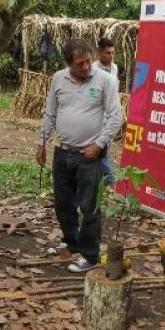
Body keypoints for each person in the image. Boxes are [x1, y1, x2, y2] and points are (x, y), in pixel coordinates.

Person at [36, 39, 122, 272]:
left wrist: (99, 145)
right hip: (62, 152)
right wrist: (41, 141)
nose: (86, 67)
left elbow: (116, 117)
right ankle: (71, 242)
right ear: (68, 64)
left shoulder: (105, 80)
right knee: (63, 204)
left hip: (89, 155)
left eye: (88, 61)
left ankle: (90, 256)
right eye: (79, 64)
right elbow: (50, 112)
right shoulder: (58, 79)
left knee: (90, 207)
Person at [93, 38, 119, 188]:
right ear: (100, 52)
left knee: (102, 150)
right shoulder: (93, 70)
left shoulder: (114, 68)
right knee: (102, 151)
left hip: (110, 117)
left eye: (113, 53)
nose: (111, 56)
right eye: (108, 53)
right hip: (96, 117)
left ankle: (101, 183)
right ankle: (111, 183)